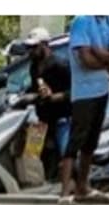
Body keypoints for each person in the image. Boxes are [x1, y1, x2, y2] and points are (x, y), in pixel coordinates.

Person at [61, 14, 109, 205]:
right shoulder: (82, 21)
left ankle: (83, 187)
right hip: (83, 92)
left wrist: (101, 54)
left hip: (102, 89)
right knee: (76, 141)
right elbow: (85, 61)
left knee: (91, 142)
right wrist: (107, 60)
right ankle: (64, 192)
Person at [20, 27, 72, 192]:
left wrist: (55, 96)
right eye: (29, 48)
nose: (31, 51)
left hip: (62, 118)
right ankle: (35, 187)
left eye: (34, 47)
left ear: (44, 45)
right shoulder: (34, 66)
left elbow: (75, 91)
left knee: (67, 156)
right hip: (41, 119)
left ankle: (68, 188)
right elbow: (36, 89)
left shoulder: (61, 64)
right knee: (31, 156)